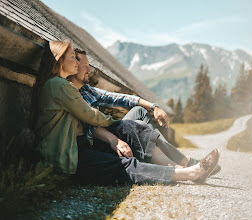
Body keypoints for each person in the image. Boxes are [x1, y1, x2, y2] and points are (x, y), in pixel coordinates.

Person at [35, 40, 220, 185]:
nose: (79, 63)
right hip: (70, 154)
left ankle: (183, 168)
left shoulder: (66, 87)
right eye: (73, 58)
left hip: (78, 148)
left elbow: (116, 100)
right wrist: (114, 126)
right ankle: (188, 171)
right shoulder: (60, 86)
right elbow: (90, 116)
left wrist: (152, 107)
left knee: (132, 130)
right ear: (60, 60)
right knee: (124, 162)